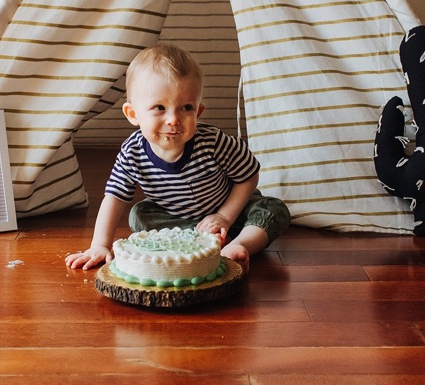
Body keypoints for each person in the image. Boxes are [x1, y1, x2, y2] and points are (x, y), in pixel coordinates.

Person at [65, 42, 290, 272]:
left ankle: (240, 244)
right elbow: (114, 197)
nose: (173, 119)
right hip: (177, 218)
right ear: (133, 114)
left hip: (230, 210)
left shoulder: (213, 142)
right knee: (139, 215)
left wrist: (224, 216)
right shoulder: (132, 152)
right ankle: (197, 240)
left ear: (199, 111)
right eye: (160, 108)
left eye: (185, 108)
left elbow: (249, 175)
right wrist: (99, 245)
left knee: (272, 209)